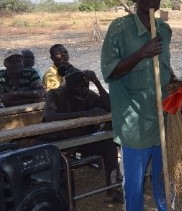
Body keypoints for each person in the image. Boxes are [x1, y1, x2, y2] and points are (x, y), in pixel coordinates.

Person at [101, 0, 179, 211]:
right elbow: (109, 72)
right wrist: (140, 53)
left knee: (164, 176)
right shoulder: (119, 29)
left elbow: (165, 70)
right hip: (133, 122)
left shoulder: (164, 29)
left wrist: (177, 82)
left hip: (161, 119)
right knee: (134, 184)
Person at [41, 66, 122, 203]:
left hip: (82, 139)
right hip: (57, 140)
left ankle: (112, 190)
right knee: (56, 162)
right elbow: (50, 116)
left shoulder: (88, 95)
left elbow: (109, 107)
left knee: (109, 145)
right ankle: (60, 200)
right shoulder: (55, 94)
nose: (84, 89)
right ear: (69, 87)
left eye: (86, 86)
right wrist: (84, 114)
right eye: (79, 87)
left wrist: (97, 82)